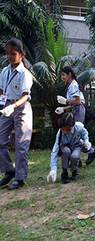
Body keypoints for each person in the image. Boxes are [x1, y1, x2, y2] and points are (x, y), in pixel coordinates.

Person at [0, 38, 33, 190]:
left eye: (13, 54)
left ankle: (20, 178)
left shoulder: (24, 74)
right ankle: (9, 170)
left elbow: (25, 95)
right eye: (7, 54)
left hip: (21, 108)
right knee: (0, 140)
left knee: (21, 145)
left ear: (21, 55)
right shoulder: (4, 71)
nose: (10, 57)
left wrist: (13, 106)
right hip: (7, 107)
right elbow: (1, 91)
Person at [47, 113, 95, 184]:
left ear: (73, 126)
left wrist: (86, 141)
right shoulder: (60, 134)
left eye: (68, 129)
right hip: (65, 147)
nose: (65, 132)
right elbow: (55, 151)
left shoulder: (79, 127)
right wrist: (53, 169)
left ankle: (74, 172)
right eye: (63, 129)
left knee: (74, 156)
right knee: (66, 152)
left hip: (76, 145)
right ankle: (64, 173)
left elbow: (85, 133)